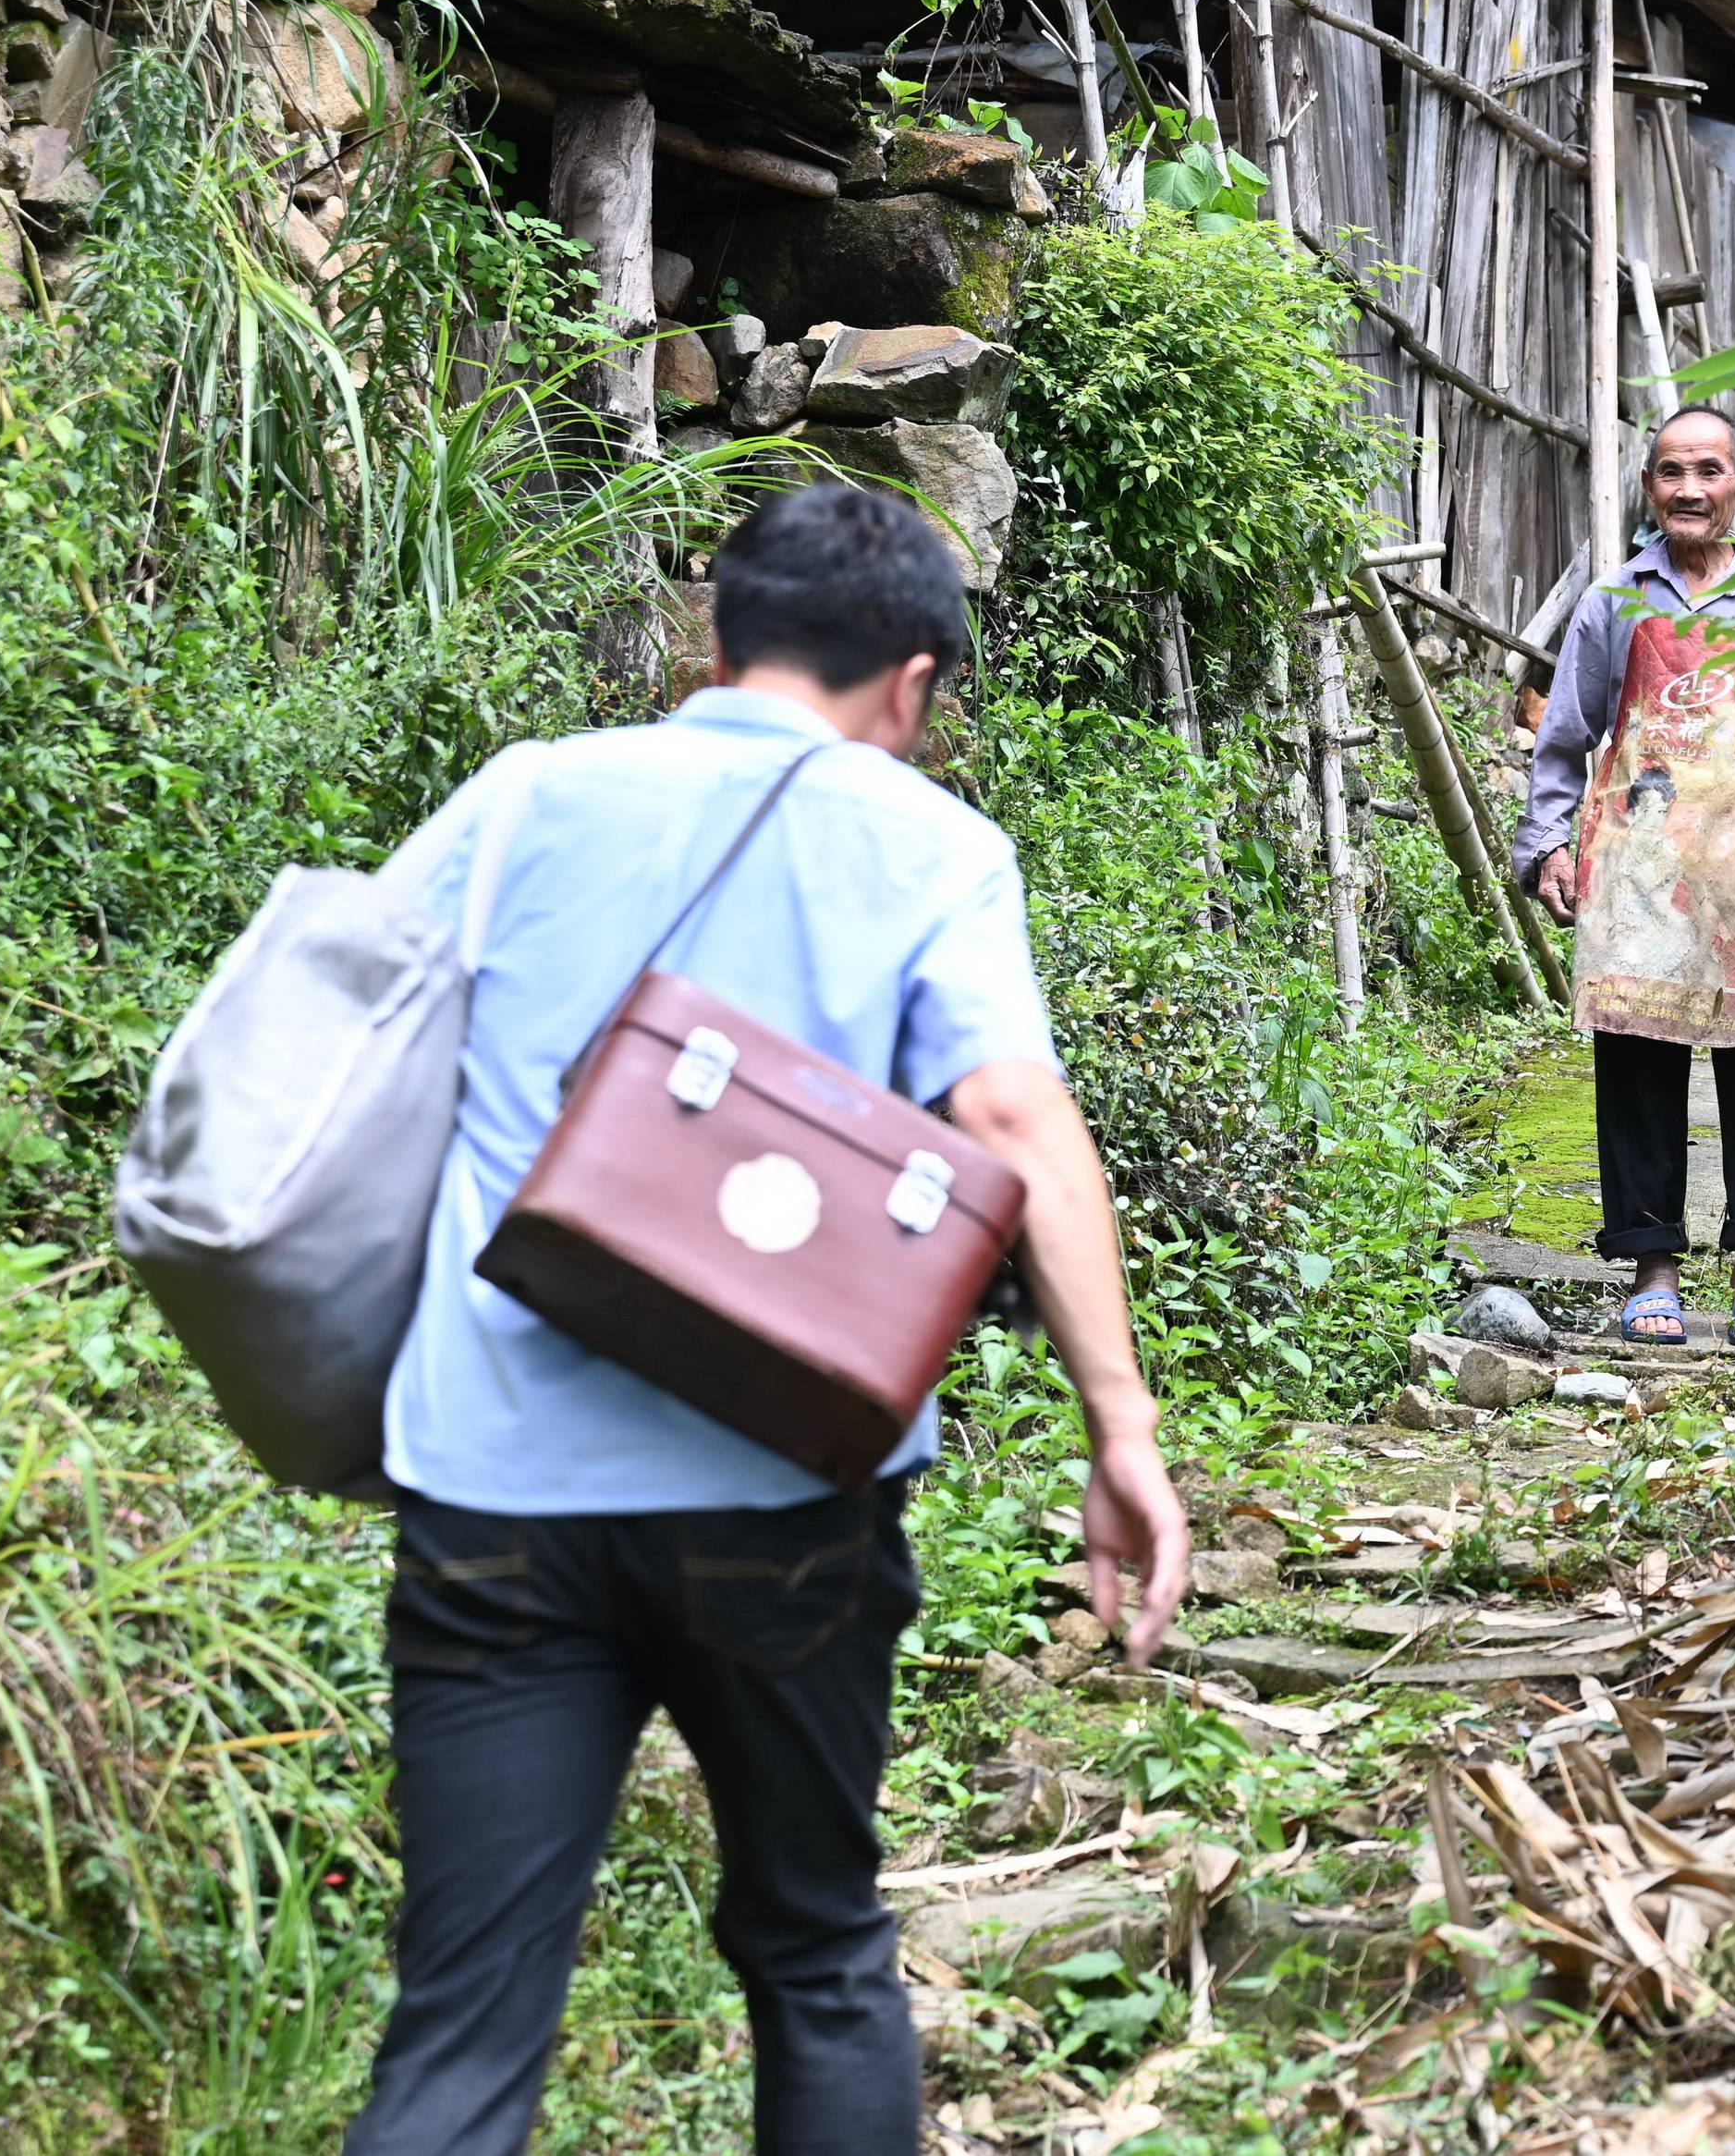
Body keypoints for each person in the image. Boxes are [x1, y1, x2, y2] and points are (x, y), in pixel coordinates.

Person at [344, 484, 1191, 2156]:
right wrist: (1123, 1429)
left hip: (495, 1484)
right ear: (917, 682)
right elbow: (1017, 1125)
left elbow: (358, 1033)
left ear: (712, 637)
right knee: (815, 1946)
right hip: (787, 1490)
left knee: (461, 2018)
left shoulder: (525, 797)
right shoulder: (931, 842)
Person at [1509, 408, 1735, 1350]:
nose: (1689, 490)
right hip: (1641, 870)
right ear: (1649, 489)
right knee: (1637, 1059)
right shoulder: (1612, 603)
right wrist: (1548, 845)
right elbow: (1564, 742)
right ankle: (1653, 1266)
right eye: (1671, 473)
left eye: (1707, 472)